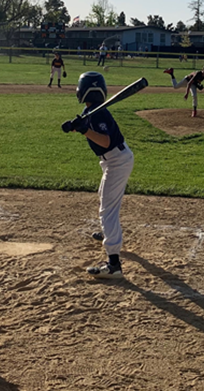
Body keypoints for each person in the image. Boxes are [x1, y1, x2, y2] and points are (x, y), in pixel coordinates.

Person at [62, 72, 134, 279]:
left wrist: (84, 130)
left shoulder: (99, 113)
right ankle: (108, 233)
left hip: (117, 160)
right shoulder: (92, 111)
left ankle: (114, 265)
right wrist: (75, 127)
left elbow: (105, 141)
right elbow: (88, 126)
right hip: (115, 160)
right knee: (105, 199)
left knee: (107, 208)